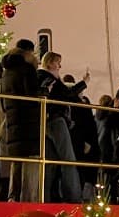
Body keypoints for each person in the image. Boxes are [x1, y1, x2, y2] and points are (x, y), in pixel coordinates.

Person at [37, 52, 86, 203]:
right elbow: (67, 94)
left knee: (49, 161)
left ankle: (44, 196)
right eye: (58, 63)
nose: (60, 66)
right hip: (56, 120)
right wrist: (84, 83)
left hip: (45, 121)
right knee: (68, 159)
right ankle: (73, 196)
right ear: (51, 63)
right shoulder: (49, 78)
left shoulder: (40, 77)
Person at [0, 39, 43, 202]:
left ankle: (13, 196)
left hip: (12, 118)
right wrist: (44, 91)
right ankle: (29, 198)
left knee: (16, 160)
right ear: (29, 52)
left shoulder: (7, 71)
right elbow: (32, 95)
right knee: (31, 160)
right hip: (28, 120)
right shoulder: (27, 69)